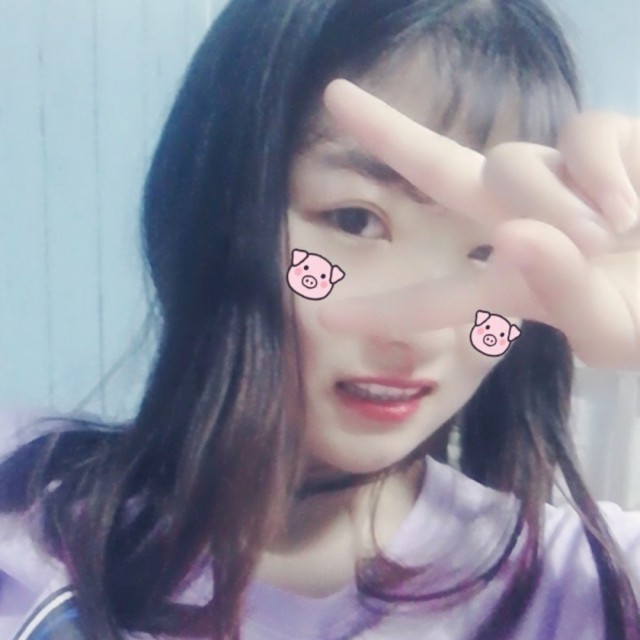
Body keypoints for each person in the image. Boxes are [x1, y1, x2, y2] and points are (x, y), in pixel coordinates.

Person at [1, 0, 639, 638]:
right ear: (216, 207)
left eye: (487, 252)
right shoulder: (27, 508)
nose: (418, 334)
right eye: (355, 220)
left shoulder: (583, 585)